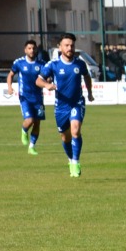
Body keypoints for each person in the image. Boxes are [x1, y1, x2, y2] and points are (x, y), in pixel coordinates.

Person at [36, 33, 93, 178]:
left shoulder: (79, 64)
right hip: (61, 107)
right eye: (66, 45)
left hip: (77, 103)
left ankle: (75, 161)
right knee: (65, 138)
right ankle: (70, 159)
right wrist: (47, 85)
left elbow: (86, 76)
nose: (70, 48)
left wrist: (90, 92)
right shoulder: (53, 65)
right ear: (60, 47)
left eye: (72, 45)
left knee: (75, 131)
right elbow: (38, 81)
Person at [6, 39, 45, 156]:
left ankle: (32, 147)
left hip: (38, 98)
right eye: (29, 48)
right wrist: (9, 86)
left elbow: (47, 77)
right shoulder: (19, 63)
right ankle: (24, 131)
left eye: (33, 48)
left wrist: (48, 81)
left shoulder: (42, 64)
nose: (32, 50)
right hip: (25, 97)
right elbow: (10, 74)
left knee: (37, 123)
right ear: (25, 50)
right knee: (30, 120)